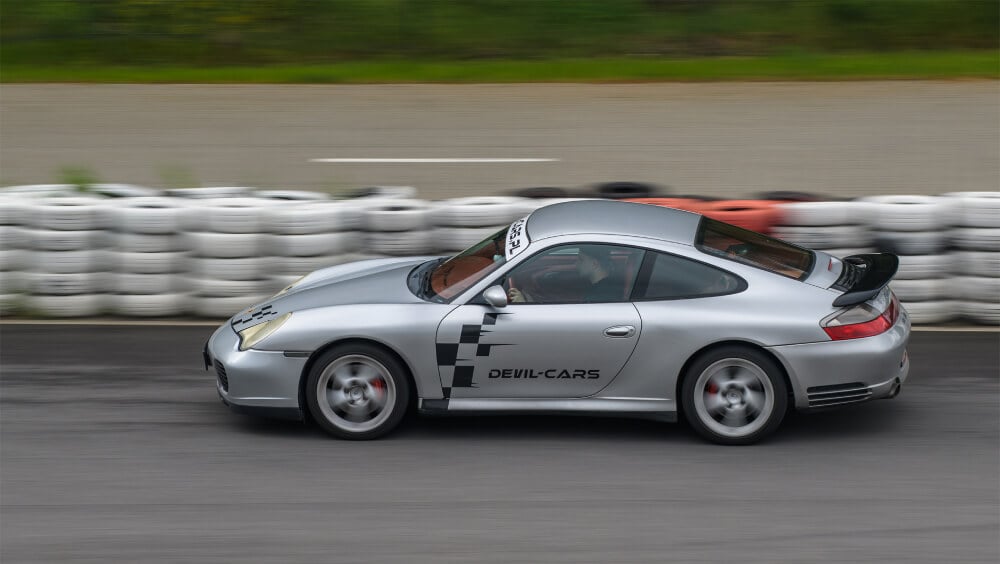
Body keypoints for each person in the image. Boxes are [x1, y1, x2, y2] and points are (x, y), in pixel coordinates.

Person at [507, 245, 621, 303]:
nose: (576, 264)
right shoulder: (601, 286)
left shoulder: (601, 296)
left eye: (580, 260)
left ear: (595, 264)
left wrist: (525, 305)